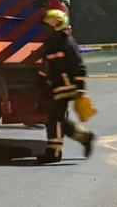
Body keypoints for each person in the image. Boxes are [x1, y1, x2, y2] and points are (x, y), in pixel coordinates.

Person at [36, 9, 96, 164]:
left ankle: (54, 152)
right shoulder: (50, 44)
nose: (45, 30)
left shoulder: (68, 44)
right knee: (57, 119)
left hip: (68, 87)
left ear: (56, 26)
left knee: (54, 118)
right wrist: (43, 82)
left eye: (48, 27)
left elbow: (80, 67)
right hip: (56, 87)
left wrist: (80, 87)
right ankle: (85, 137)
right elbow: (46, 66)